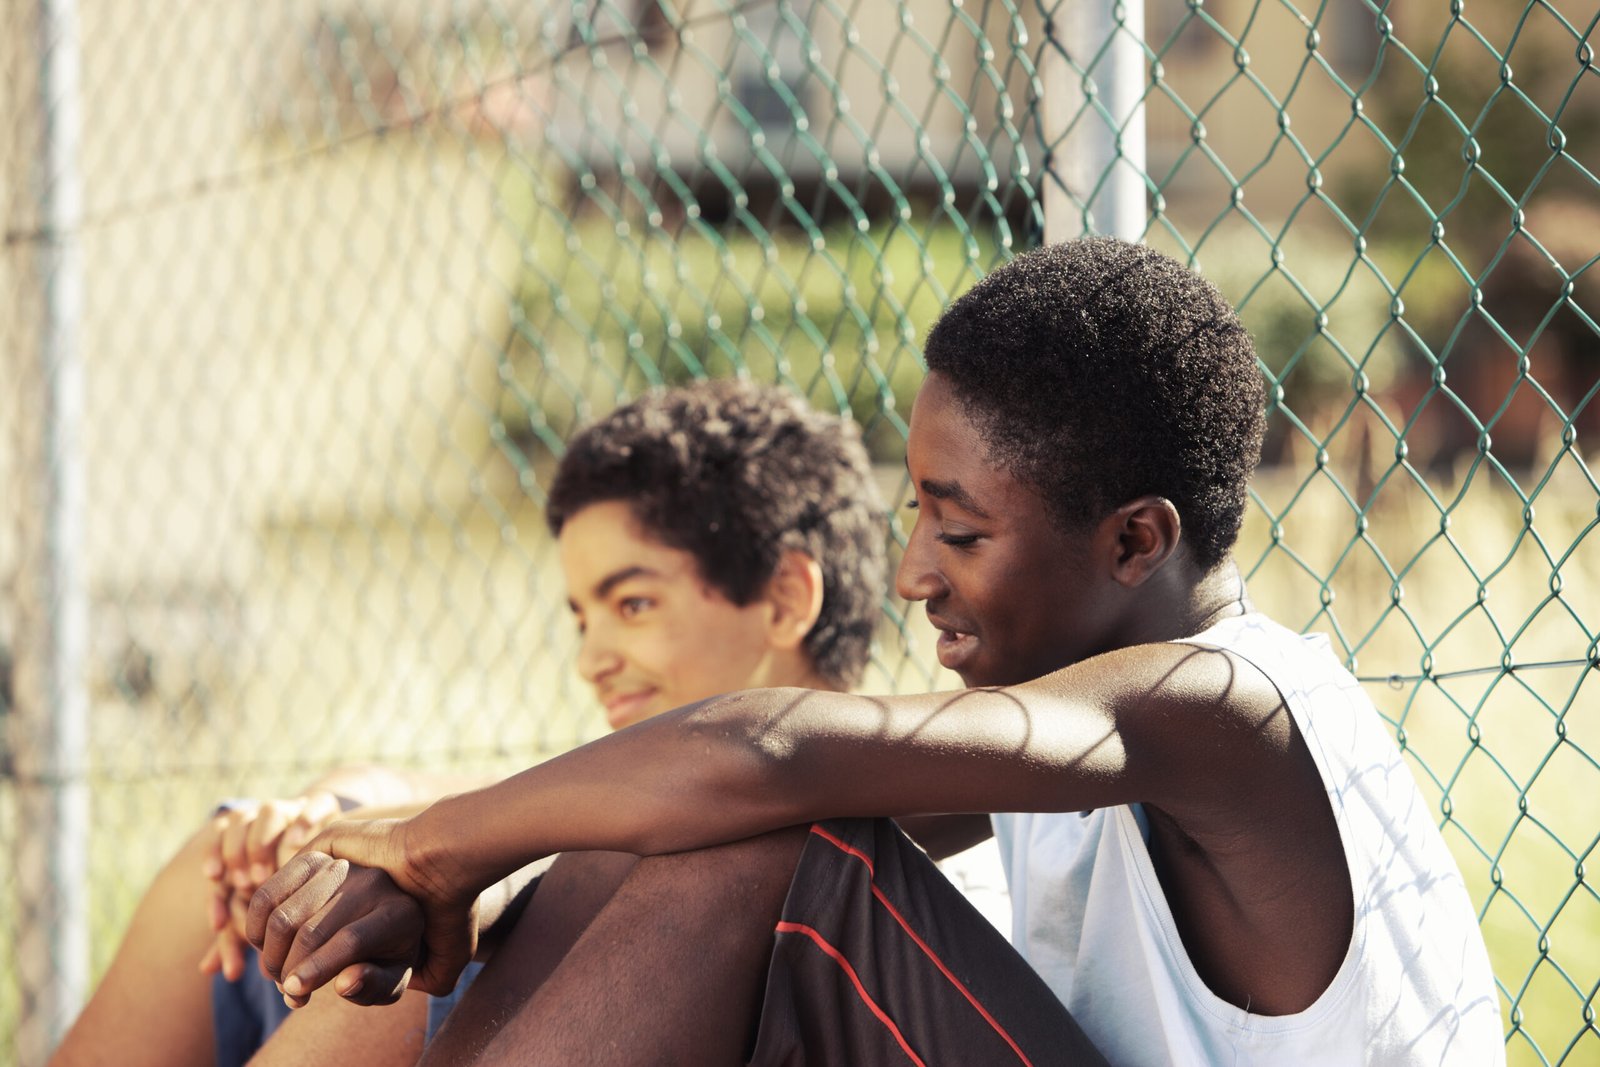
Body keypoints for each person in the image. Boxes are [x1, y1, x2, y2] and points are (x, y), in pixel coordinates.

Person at [251, 237, 1503, 1065]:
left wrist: (436, 842)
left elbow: (782, 751)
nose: (912, 572)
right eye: (916, 514)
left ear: (1136, 540)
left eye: (957, 528)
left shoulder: (1228, 705)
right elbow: (714, 786)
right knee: (680, 821)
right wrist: (439, 866)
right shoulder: (1068, 721)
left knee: (763, 830)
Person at [49, 378, 890, 1066]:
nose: (591, 656)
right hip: (343, 966)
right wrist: (341, 801)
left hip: (506, 982)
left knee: (416, 946)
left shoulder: (870, 810)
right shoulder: (608, 787)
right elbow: (492, 796)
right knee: (233, 850)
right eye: (580, 618)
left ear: (785, 599)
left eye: (633, 603)